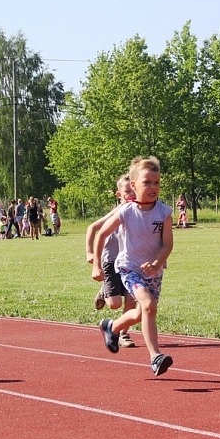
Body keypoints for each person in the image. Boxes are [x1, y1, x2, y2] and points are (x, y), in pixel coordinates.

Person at [92, 156, 174, 376]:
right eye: (147, 182)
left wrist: (157, 262)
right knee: (148, 306)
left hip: (154, 271)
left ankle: (112, 327)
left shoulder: (164, 212)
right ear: (134, 186)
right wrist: (97, 266)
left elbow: (167, 244)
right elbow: (101, 234)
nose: (153, 187)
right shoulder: (126, 211)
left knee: (141, 313)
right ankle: (155, 356)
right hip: (130, 269)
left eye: (156, 183)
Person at [86, 174, 137, 347]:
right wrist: (90, 254)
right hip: (110, 260)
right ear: (119, 194)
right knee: (115, 304)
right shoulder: (117, 212)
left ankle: (123, 334)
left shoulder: (139, 210)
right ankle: (103, 292)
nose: (132, 194)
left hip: (129, 263)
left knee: (131, 300)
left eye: (134, 190)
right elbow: (92, 228)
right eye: (127, 191)